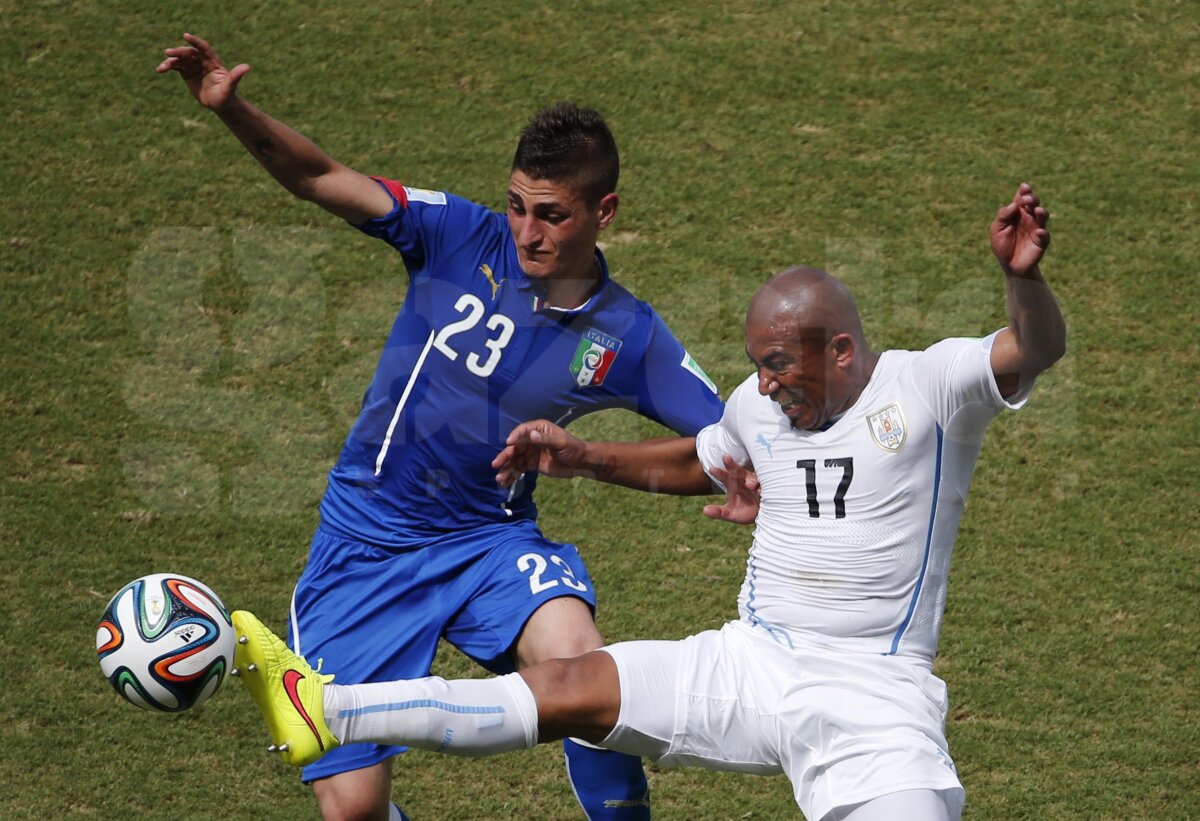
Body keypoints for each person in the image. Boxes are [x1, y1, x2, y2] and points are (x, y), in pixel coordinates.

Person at [229, 183, 1065, 820]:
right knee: (572, 688)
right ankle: (326, 705)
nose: (764, 387)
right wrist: (583, 456)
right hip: (750, 664)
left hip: (872, 698)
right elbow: (695, 460)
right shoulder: (757, 405)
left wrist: (1020, 280)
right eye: (756, 366)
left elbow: (1032, 347)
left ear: (841, 351)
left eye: (779, 366)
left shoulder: (928, 387)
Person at [157, 33, 726, 821]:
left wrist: (592, 458)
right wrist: (232, 109)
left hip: (488, 542)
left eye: (552, 215)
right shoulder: (456, 234)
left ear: (605, 211)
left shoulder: (627, 335)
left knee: (589, 681)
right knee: (352, 808)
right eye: (518, 205)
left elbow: (729, 449)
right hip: (365, 545)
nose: (526, 232)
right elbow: (321, 177)